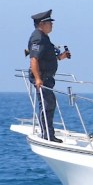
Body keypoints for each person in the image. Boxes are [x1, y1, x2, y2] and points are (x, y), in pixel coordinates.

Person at [27, 9, 70, 142]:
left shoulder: (44, 38)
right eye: (49, 22)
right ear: (42, 24)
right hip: (42, 78)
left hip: (47, 78)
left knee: (49, 104)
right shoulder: (38, 38)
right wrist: (38, 79)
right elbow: (34, 59)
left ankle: (49, 133)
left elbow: (46, 58)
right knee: (46, 105)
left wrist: (61, 57)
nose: (52, 25)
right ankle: (47, 134)